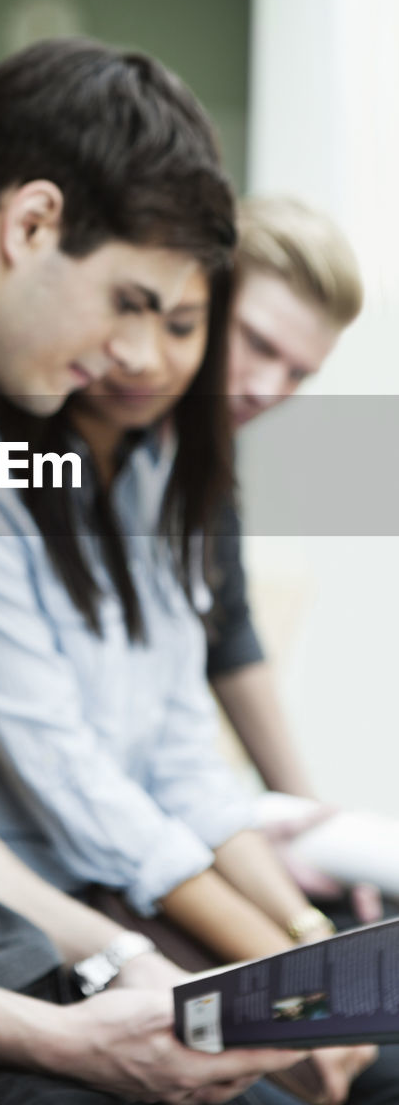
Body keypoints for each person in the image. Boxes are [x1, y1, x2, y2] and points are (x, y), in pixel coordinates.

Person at [0, 37, 310, 1104]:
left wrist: (121, 963)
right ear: (32, 224)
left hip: (14, 958)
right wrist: (80, 1031)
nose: (131, 356)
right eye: (128, 301)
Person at [203, 196, 398, 915]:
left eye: (296, 374)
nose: (265, 389)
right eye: (256, 343)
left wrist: (310, 820)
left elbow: (229, 637)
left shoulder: (207, 472)